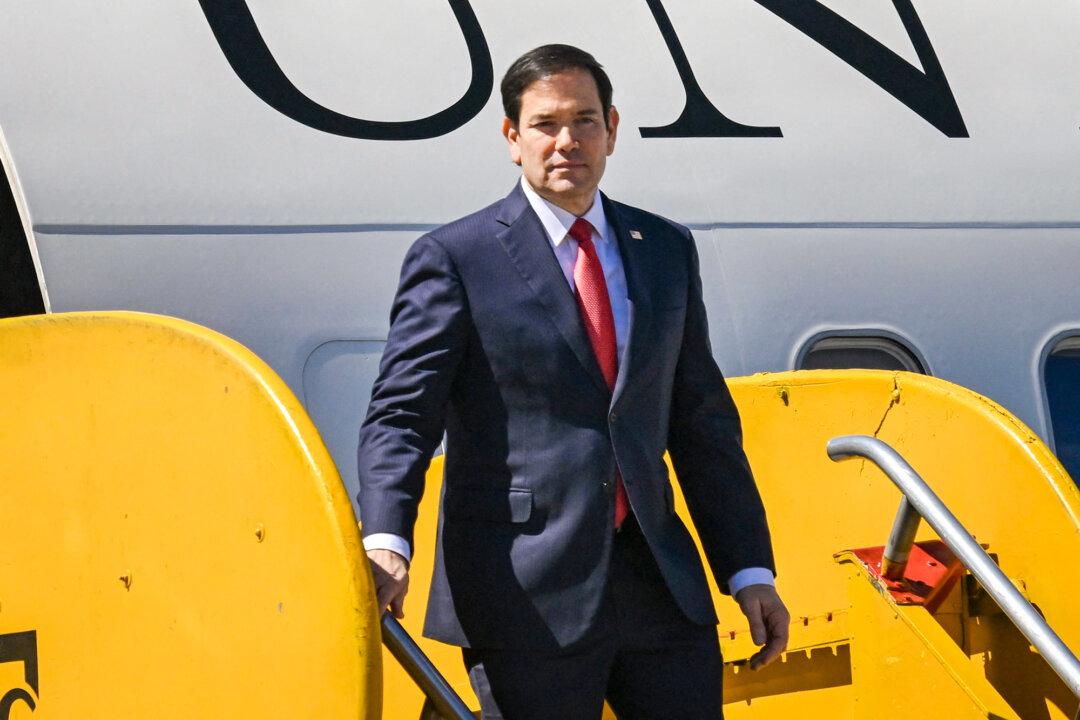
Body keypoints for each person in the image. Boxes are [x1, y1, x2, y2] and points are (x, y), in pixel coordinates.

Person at [357, 44, 789, 719]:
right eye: (545, 124)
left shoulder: (666, 249)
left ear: (612, 129)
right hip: (522, 592)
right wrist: (386, 539)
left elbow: (702, 424)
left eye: (585, 121)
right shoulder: (456, 258)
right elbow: (402, 416)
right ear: (511, 138)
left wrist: (748, 570)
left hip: (659, 588)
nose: (567, 141)